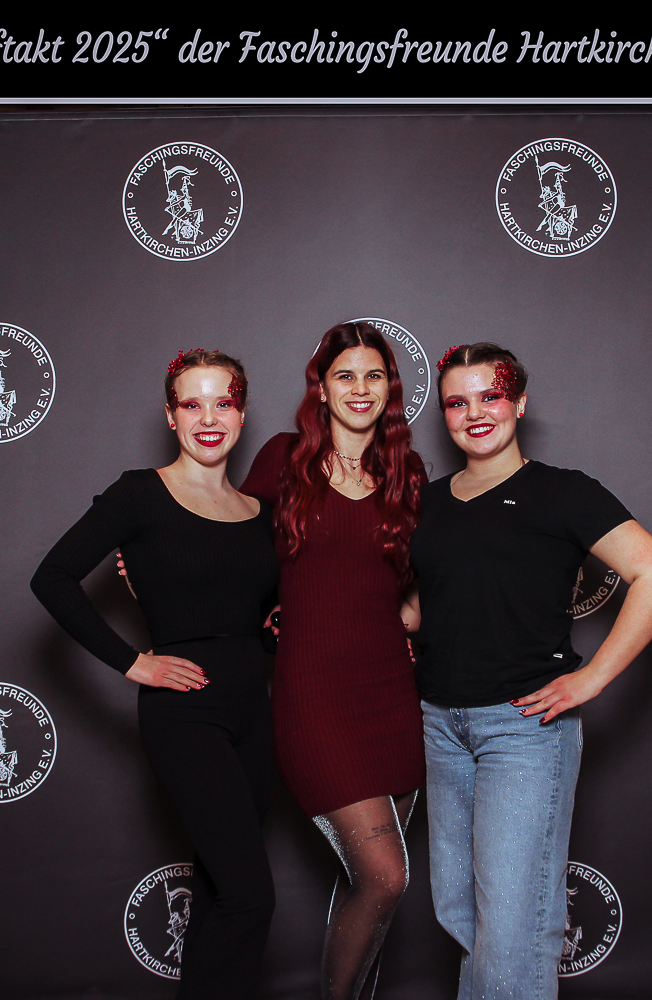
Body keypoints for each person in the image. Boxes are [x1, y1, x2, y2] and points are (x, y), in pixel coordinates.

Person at [408, 343, 652, 1000]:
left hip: (522, 729)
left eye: (491, 396)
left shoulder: (563, 491)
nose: (476, 413)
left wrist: (593, 678)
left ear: (520, 403)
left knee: (513, 928)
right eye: (457, 402)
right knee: (461, 915)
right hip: (439, 726)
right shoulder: (427, 503)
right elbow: (421, 608)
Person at [31, 349, 278, 1000]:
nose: (208, 418)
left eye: (223, 403)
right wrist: (132, 661)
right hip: (186, 713)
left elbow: (263, 620)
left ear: (242, 414)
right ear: (170, 416)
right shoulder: (140, 494)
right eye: (192, 404)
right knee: (251, 895)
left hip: (255, 714)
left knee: (219, 890)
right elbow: (52, 577)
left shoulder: (261, 512)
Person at [240, 322, 427, 1000]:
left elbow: (414, 591)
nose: (360, 388)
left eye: (374, 375)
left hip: (392, 694)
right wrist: (152, 561)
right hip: (314, 696)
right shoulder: (283, 458)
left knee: (365, 889)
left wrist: (407, 620)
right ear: (321, 387)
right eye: (345, 375)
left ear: (390, 389)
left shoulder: (407, 473)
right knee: (385, 878)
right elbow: (230, 547)